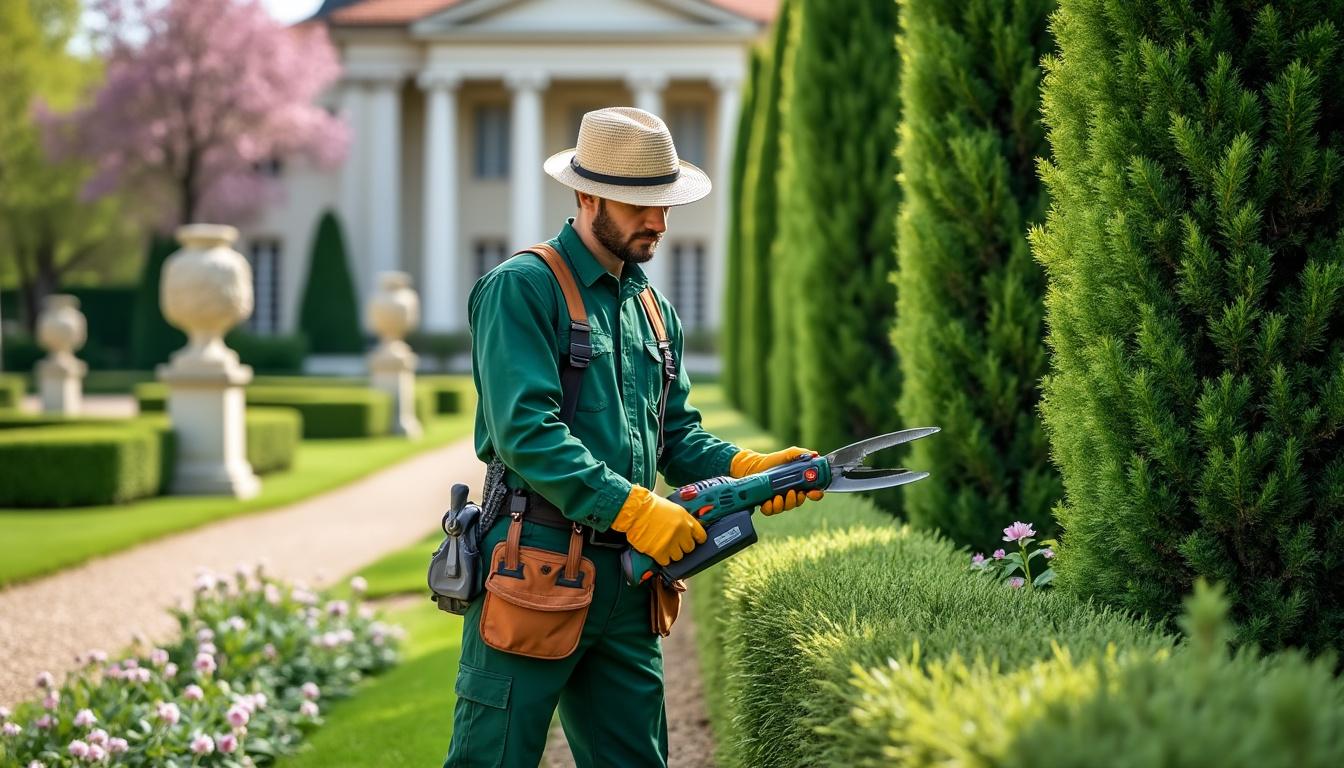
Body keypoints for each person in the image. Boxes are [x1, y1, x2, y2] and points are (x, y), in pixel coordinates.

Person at [444, 106, 823, 768]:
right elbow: (526, 434)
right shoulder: (521, 289)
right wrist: (635, 507)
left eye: (665, 203)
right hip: (531, 571)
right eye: (639, 204)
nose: (659, 221)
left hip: (629, 583)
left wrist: (749, 467)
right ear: (586, 194)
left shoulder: (653, 309)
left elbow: (676, 437)